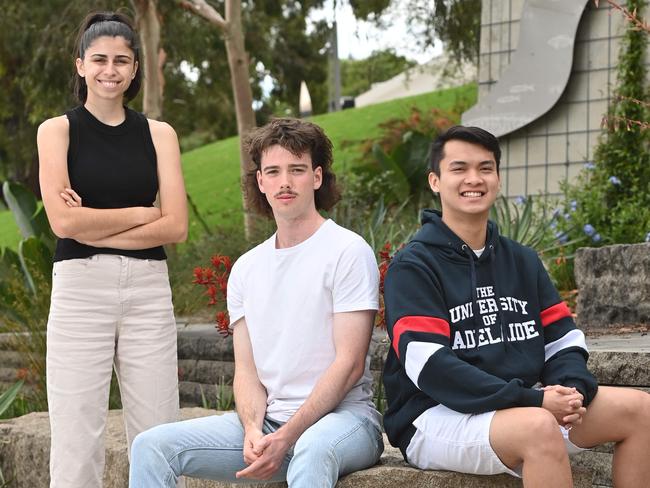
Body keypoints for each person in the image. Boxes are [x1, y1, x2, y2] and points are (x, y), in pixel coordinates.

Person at [382, 125, 650, 487]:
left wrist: (572, 391)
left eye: (485, 168)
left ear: (497, 178)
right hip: (433, 416)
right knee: (539, 427)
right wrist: (532, 401)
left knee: (640, 410)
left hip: (519, 405)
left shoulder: (521, 259)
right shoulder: (413, 266)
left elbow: (563, 341)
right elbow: (432, 368)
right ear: (435, 181)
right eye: (459, 168)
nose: (473, 179)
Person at [129, 118, 383, 487]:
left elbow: (350, 363)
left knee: (311, 449)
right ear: (260, 181)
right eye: (273, 171)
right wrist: (252, 428)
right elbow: (246, 371)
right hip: (269, 424)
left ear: (316, 177)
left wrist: (288, 435)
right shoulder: (247, 268)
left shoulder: (347, 251)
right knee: (151, 445)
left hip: (344, 422)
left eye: (296, 170)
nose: (285, 182)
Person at [37, 11, 187, 488]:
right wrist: (143, 214)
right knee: (77, 436)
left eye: (122, 60)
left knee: (160, 434)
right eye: (99, 59)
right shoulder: (56, 131)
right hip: (80, 291)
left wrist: (93, 225)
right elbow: (63, 222)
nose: (110, 69)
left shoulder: (159, 134)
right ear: (80, 64)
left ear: (135, 68)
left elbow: (177, 226)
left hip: (147, 290)